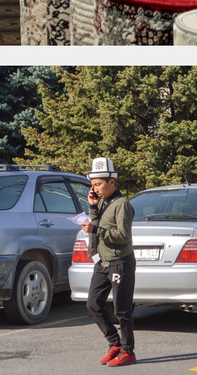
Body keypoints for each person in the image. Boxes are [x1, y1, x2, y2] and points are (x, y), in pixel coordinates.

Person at [80, 157, 136, 367]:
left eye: (99, 184)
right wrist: (93, 207)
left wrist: (96, 230)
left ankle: (128, 352)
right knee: (93, 304)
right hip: (103, 261)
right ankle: (115, 344)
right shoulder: (102, 201)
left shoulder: (122, 204)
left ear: (112, 182)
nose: (95, 188)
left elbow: (122, 236)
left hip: (120, 262)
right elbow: (96, 225)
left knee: (122, 310)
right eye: (93, 184)